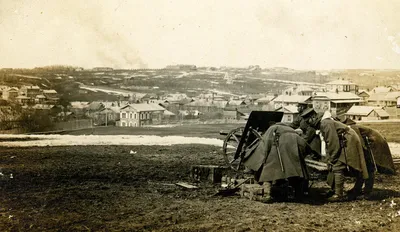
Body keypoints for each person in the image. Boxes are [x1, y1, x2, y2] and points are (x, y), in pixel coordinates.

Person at [243, 122, 319, 203]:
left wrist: (265, 157)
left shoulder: (273, 128)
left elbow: (267, 143)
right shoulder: (291, 129)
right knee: (295, 169)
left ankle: (267, 194)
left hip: (279, 146)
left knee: (269, 169)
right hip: (295, 145)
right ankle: (299, 194)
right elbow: (304, 145)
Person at [308, 111, 369, 201]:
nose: (310, 121)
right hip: (344, 139)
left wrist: (332, 158)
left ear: (315, 118)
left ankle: (338, 194)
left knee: (337, 165)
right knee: (334, 163)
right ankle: (336, 190)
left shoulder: (325, 123)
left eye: (310, 119)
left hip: (348, 140)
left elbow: (333, 142)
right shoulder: (324, 123)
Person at [341, 118, 395, 200]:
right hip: (369, 144)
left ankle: (367, 192)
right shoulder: (351, 127)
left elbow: (360, 143)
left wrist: (361, 155)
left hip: (374, 144)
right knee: (363, 168)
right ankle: (357, 189)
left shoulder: (352, 128)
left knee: (369, 168)